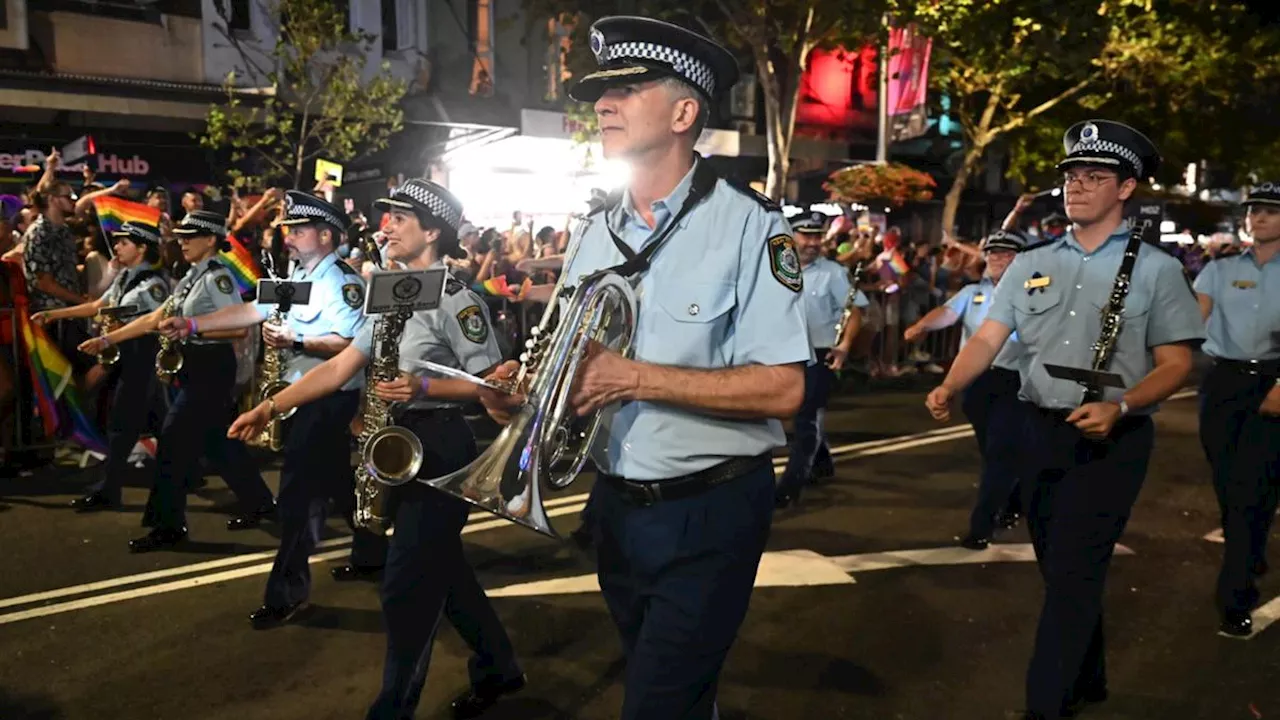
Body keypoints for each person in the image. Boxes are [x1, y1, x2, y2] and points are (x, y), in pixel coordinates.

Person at [478, 17, 808, 720]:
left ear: (684, 113)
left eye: (627, 90)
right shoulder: (595, 231)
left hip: (712, 511)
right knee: (680, 694)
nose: (602, 105)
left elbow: (785, 387)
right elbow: (571, 367)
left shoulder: (754, 226)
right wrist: (525, 396)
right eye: (602, 93)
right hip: (618, 511)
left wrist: (631, 376)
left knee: (655, 703)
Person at [924, 120, 1203, 719]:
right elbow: (990, 338)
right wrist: (950, 384)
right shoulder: (1032, 262)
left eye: (1093, 176)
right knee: (1062, 569)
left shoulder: (1156, 270)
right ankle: (1088, 674)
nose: (1076, 186)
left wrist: (1123, 405)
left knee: (1074, 573)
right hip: (1037, 430)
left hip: (1111, 438)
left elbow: (1177, 361)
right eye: (1072, 175)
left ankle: (1045, 704)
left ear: (1126, 188)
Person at [227, 179, 523, 719]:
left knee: (405, 586)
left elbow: (494, 389)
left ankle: (392, 709)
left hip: (439, 445)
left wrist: (425, 387)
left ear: (432, 231)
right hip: (394, 437)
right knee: (444, 572)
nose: (384, 226)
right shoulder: (389, 288)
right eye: (385, 217)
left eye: (399, 219)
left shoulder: (458, 299)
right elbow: (343, 365)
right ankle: (500, 667)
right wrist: (269, 408)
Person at [164, 192, 381, 627]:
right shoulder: (297, 273)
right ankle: (375, 553)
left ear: (326, 235)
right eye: (288, 230)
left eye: (298, 231)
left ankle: (287, 590)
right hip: (300, 395)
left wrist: (297, 342)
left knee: (298, 496)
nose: (289, 238)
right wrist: (192, 324)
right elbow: (252, 309)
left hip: (327, 400)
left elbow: (349, 345)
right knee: (338, 482)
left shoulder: (342, 283)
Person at [82, 210, 276, 552]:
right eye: (181, 235)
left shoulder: (218, 278)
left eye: (190, 236)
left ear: (211, 240)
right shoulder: (191, 275)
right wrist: (109, 341)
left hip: (211, 366)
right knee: (220, 441)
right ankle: (262, 504)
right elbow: (158, 317)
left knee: (171, 443)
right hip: (195, 366)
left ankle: (167, 525)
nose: (182, 242)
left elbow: (240, 327)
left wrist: (193, 325)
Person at [1193, 180, 1280, 637]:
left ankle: (1236, 595)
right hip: (1223, 383)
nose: (1258, 217)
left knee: (1250, 487)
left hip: (1273, 382)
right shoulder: (1219, 270)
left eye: (1269, 210)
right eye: (1253, 210)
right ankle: (1251, 546)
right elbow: (1192, 321)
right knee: (1230, 482)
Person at [906, 229, 1028, 548]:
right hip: (977, 380)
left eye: (1006, 253)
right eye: (992, 252)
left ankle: (982, 525)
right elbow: (947, 313)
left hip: (1016, 380)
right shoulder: (974, 291)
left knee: (1000, 452)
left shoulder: (1033, 294)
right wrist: (921, 326)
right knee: (993, 451)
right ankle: (1014, 498)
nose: (997, 258)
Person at [40, 222, 170, 511]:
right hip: (126, 355)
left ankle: (111, 490)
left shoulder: (153, 284)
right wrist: (54, 313)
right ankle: (178, 477)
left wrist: (109, 336)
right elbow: (98, 305)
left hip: (144, 358)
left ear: (142, 248)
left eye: (124, 242)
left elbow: (153, 323)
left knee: (127, 423)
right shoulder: (125, 277)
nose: (118, 247)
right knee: (150, 423)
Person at [775, 210, 866, 507]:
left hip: (820, 354)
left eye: (816, 236)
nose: (812, 242)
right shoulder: (775, 269)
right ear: (791, 236)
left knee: (805, 420)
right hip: (783, 353)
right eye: (806, 235)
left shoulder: (833, 273)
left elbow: (853, 311)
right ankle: (822, 462)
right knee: (802, 415)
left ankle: (789, 486)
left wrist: (845, 346)